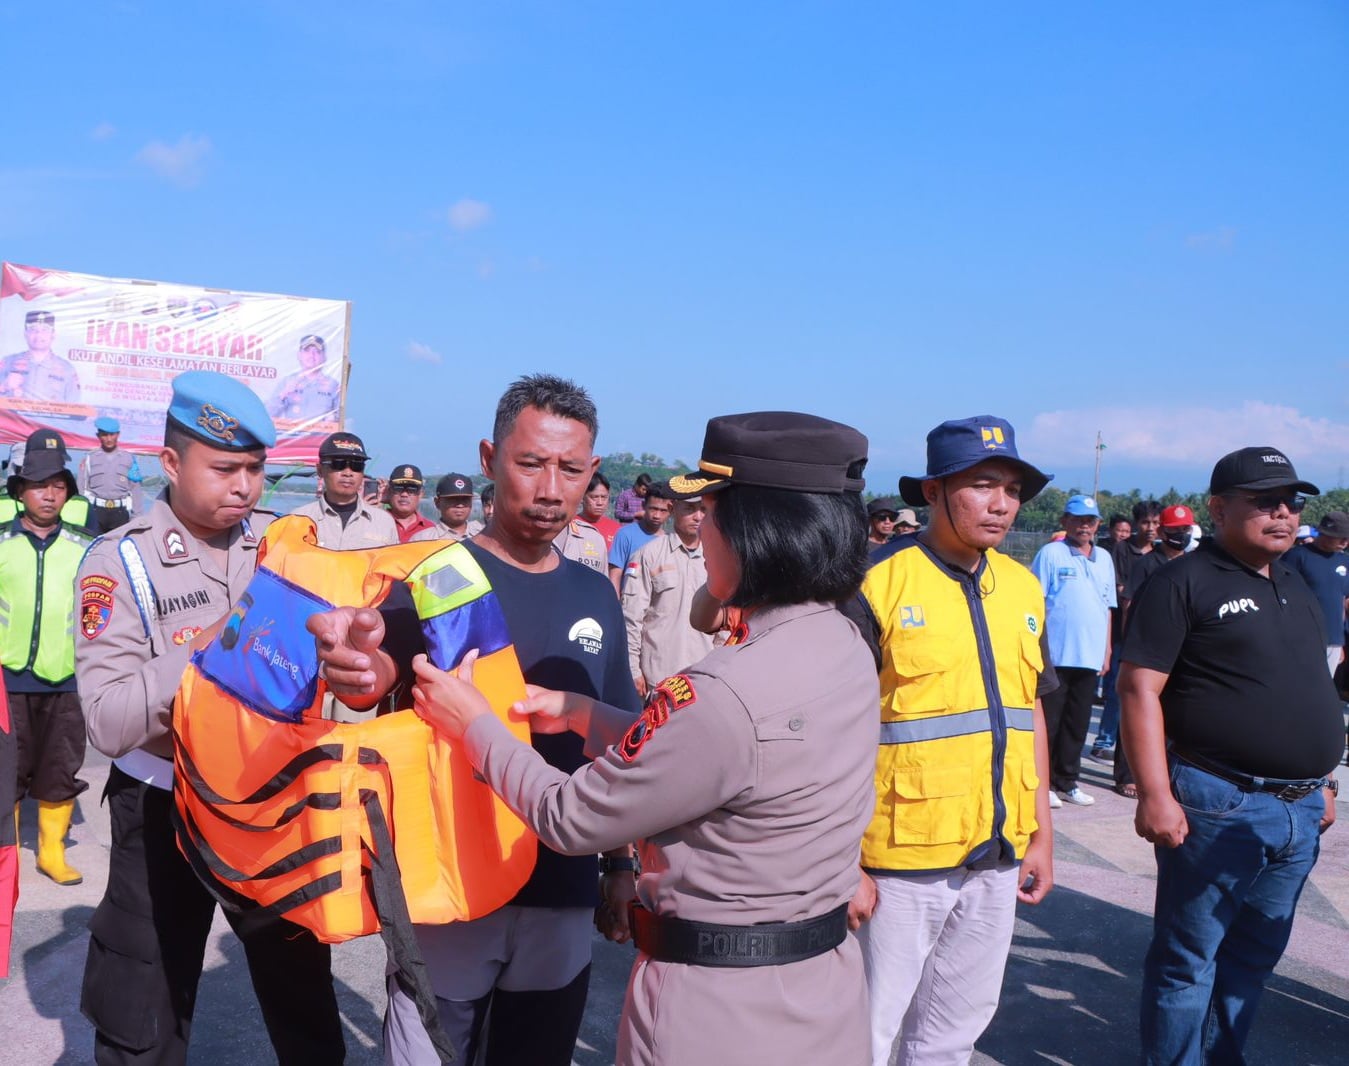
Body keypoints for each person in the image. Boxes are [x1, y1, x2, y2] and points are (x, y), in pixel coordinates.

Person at [401, 410, 878, 1066]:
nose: (698, 529)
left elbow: (570, 816)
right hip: (821, 993)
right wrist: (581, 712)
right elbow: (719, 757)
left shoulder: (725, 688)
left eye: (708, 511)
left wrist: (473, 725)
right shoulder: (840, 643)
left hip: (720, 1013)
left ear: (756, 531)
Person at [315, 373, 641, 1066]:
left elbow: (622, 738)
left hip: (561, 889)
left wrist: (619, 864)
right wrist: (359, 669)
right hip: (446, 890)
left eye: (571, 469)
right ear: (490, 459)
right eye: (530, 464)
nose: (551, 488)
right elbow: (377, 675)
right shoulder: (435, 577)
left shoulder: (594, 592)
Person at [76, 371, 343, 1065]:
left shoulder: (284, 557)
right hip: (162, 808)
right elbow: (107, 721)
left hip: (270, 803)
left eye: (256, 469)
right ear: (170, 462)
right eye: (225, 468)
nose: (245, 487)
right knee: (144, 1015)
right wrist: (214, 644)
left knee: (304, 1005)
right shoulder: (119, 561)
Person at [1119, 446, 1343, 1064]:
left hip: (1299, 810)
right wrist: (1157, 793)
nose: (1283, 513)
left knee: (1252, 960)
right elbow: (1139, 688)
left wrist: (1323, 779)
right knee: (1187, 963)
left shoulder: (1296, 582)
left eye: (1292, 501)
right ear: (1218, 509)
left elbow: (1308, 685)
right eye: (1264, 500)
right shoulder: (1182, 581)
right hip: (1221, 802)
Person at [847, 415, 1056, 1066]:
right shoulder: (873, 583)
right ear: (933, 491)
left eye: (1012, 490)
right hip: (897, 858)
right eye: (981, 485)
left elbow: (1030, 713)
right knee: (864, 1035)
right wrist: (839, 858)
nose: (1000, 504)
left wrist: (1041, 832)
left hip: (995, 854)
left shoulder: (1021, 587)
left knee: (952, 1035)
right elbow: (832, 728)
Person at [0, 430, 94, 887]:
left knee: (60, 765)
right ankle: (8, 849)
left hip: (66, 680)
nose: (49, 493)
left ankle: (51, 849)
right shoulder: (2, 542)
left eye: (58, 485)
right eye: (39, 484)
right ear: (20, 491)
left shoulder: (85, 547)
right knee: (6, 768)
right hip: (7, 681)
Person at [1032, 493, 1116, 808]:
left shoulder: (1104, 558)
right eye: (1078, 519)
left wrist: (1106, 650)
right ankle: (1046, 782)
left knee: (1077, 724)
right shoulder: (1051, 553)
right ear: (1065, 521)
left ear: (1097, 525)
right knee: (1050, 721)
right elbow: (1036, 603)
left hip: (1089, 655)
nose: (1084, 526)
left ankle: (1068, 780)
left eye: (1090, 521)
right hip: (1056, 653)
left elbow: (1108, 607)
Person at [1110, 504, 1198, 799]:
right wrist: (1129, 643)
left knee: (1171, 714)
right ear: (1162, 532)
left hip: (1181, 650)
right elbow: (1128, 604)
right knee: (1136, 709)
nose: (1180, 535)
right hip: (1147, 648)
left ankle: (1168, 772)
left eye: (1185, 530)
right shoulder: (1147, 564)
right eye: (1174, 531)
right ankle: (1126, 774)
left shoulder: (1192, 564)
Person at [621, 495, 712, 696]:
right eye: (689, 508)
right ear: (672, 509)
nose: (698, 517)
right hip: (659, 678)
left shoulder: (714, 557)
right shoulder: (649, 554)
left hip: (702, 677)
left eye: (703, 509)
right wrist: (633, 670)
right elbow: (631, 617)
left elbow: (724, 622)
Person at [1095, 500, 1162, 760]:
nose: (1151, 528)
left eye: (1156, 523)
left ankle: (1134, 748)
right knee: (1115, 691)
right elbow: (1120, 590)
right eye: (1146, 522)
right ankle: (1104, 740)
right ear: (1136, 524)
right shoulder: (1122, 550)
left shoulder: (1159, 553)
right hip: (1123, 634)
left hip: (1152, 637)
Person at [292, 431, 398, 549]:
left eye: (356, 466)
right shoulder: (297, 519)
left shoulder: (384, 522)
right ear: (320, 470)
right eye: (338, 464)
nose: (348, 473)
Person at [1282, 510, 1349, 676]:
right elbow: (1281, 596)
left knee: (1326, 688)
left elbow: (1343, 599)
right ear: (1325, 534)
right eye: (1340, 536)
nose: (1345, 541)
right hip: (1303, 637)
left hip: (1334, 638)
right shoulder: (1297, 556)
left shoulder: (1344, 561)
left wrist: (1339, 643)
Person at [77, 416, 144, 534]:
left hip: (120, 513)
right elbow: (81, 488)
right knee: (92, 547)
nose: (108, 439)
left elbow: (136, 490)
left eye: (112, 435)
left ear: (118, 435)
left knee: (118, 549)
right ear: (98, 436)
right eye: (104, 435)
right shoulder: (89, 458)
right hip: (95, 512)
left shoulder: (128, 459)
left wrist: (136, 518)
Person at [0, 310, 81, 403]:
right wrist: (4, 387)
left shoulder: (67, 368)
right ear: (25, 334)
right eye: (33, 329)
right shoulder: (7, 362)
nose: (38, 335)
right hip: (14, 417)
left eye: (44, 330)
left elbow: (74, 406)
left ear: (53, 334)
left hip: (52, 418)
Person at [608, 483, 672, 593]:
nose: (657, 515)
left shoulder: (669, 542)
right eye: (653, 509)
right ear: (643, 505)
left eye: (663, 511)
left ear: (671, 511)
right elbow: (615, 576)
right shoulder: (625, 534)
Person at [266, 333, 339, 422]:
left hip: (321, 435)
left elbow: (341, 419)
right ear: (299, 354)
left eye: (317, 352)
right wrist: (283, 394)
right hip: (291, 435)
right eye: (307, 350)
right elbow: (267, 414)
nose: (312, 355)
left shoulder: (332, 385)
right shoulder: (287, 381)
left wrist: (333, 418)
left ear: (324, 357)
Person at [410, 472, 483, 543]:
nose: (460, 505)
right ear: (437, 502)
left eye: (465, 499)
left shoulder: (484, 535)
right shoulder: (422, 540)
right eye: (453, 499)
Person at [385, 463, 436, 543]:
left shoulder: (431, 530)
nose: (404, 494)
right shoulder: (376, 522)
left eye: (412, 489)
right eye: (398, 488)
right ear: (389, 491)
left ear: (421, 494)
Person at [580, 471, 621, 548]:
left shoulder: (617, 530)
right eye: (595, 497)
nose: (600, 503)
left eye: (603, 497)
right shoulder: (569, 527)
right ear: (582, 497)